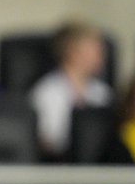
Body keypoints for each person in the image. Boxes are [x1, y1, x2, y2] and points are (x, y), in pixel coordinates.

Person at [29, 21, 113, 157]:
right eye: (95, 49)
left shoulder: (102, 92)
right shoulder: (47, 92)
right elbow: (46, 140)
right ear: (73, 52)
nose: (101, 56)